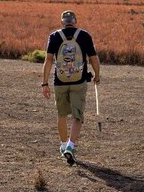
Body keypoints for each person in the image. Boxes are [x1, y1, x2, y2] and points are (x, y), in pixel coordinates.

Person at [42, 10, 101, 165]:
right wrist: (97, 75)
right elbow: (94, 58)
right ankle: (70, 145)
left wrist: (44, 83)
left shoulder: (54, 36)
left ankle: (62, 145)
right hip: (79, 81)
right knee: (77, 116)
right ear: (75, 21)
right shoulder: (84, 35)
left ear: (63, 22)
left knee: (61, 114)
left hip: (59, 81)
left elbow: (48, 60)